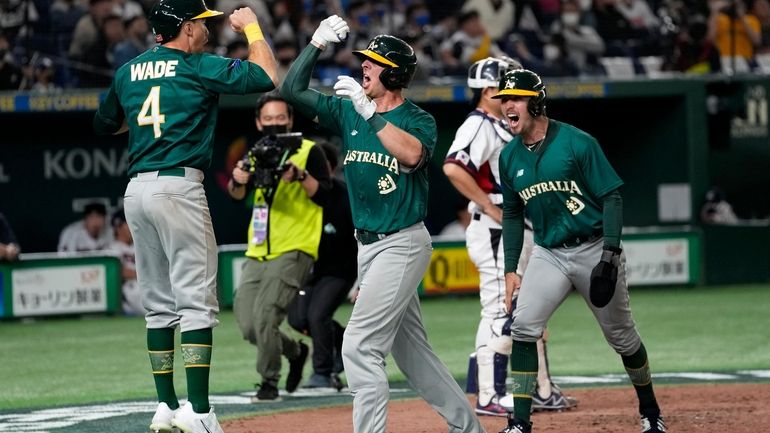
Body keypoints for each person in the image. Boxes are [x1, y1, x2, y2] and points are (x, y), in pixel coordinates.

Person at [281, 16, 486, 433]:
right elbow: (291, 91)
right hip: (368, 247)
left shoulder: (418, 120)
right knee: (412, 354)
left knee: (358, 346)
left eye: (373, 62)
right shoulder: (347, 111)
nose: (364, 67)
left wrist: (369, 112)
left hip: (402, 242)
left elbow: (411, 156)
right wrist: (316, 43)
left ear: (392, 72)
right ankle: (469, 428)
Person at [92, 0, 278, 431]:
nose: (207, 29)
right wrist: (252, 29)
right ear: (185, 29)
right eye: (202, 22)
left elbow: (105, 124)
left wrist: (142, 120)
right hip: (178, 186)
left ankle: (165, 405)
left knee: (157, 307)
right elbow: (266, 75)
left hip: (136, 190)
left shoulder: (127, 71)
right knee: (195, 304)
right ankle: (198, 412)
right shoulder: (196, 65)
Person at [494, 68, 666, 433]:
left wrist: (610, 253)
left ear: (535, 102)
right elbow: (511, 213)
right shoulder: (508, 157)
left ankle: (650, 410)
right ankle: (520, 423)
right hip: (549, 253)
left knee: (622, 337)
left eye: (515, 99)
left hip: (592, 248)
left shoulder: (577, 142)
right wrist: (511, 269)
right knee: (523, 327)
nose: (506, 105)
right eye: (503, 99)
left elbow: (611, 197)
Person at [443, 57, 575, 417]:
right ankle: (489, 393)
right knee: (503, 309)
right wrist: (489, 206)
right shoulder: (478, 124)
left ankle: (540, 390)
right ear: (488, 90)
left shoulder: (503, 125)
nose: (512, 95)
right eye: (505, 88)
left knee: (533, 309)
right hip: (496, 228)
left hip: (519, 226)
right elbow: (454, 166)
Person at [228, 93, 332, 402]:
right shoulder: (256, 151)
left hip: (295, 246)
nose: (275, 124)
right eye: (268, 119)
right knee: (249, 325)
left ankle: (268, 383)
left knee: (265, 318)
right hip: (258, 249)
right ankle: (296, 351)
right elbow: (237, 194)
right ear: (259, 122)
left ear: (290, 119)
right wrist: (237, 178)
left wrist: (299, 176)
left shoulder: (309, 151)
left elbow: (325, 195)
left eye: (280, 118)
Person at [287, 141, 357, 391]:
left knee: (318, 316)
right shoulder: (297, 194)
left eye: (319, 164)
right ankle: (341, 339)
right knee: (298, 319)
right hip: (307, 270)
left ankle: (323, 373)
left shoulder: (345, 196)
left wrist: (363, 280)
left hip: (340, 270)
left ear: (332, 167)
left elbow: (359, 238)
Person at [108, 208, 142, 315]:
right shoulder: (111, 248)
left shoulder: (140, 245)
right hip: (129, 289)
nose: (132, 227)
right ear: (118, 227)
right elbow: (118, 271)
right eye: (128, 223)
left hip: (144, 284)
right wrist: (143, 274)